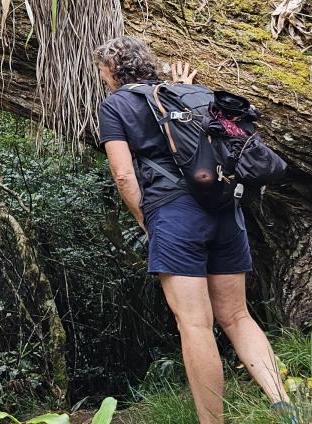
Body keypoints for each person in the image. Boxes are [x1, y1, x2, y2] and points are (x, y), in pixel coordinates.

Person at [94, 35, 300, 424]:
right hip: (223, 210)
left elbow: (123, 175)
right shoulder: (193, 93)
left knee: (194, 323)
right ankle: (283, 403)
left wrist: (147, 221)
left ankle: (212, 422)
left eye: (102, 71)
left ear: (112, 71)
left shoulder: (116, 105)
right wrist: (189, 90)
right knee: (237, 315)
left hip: (174, 218)